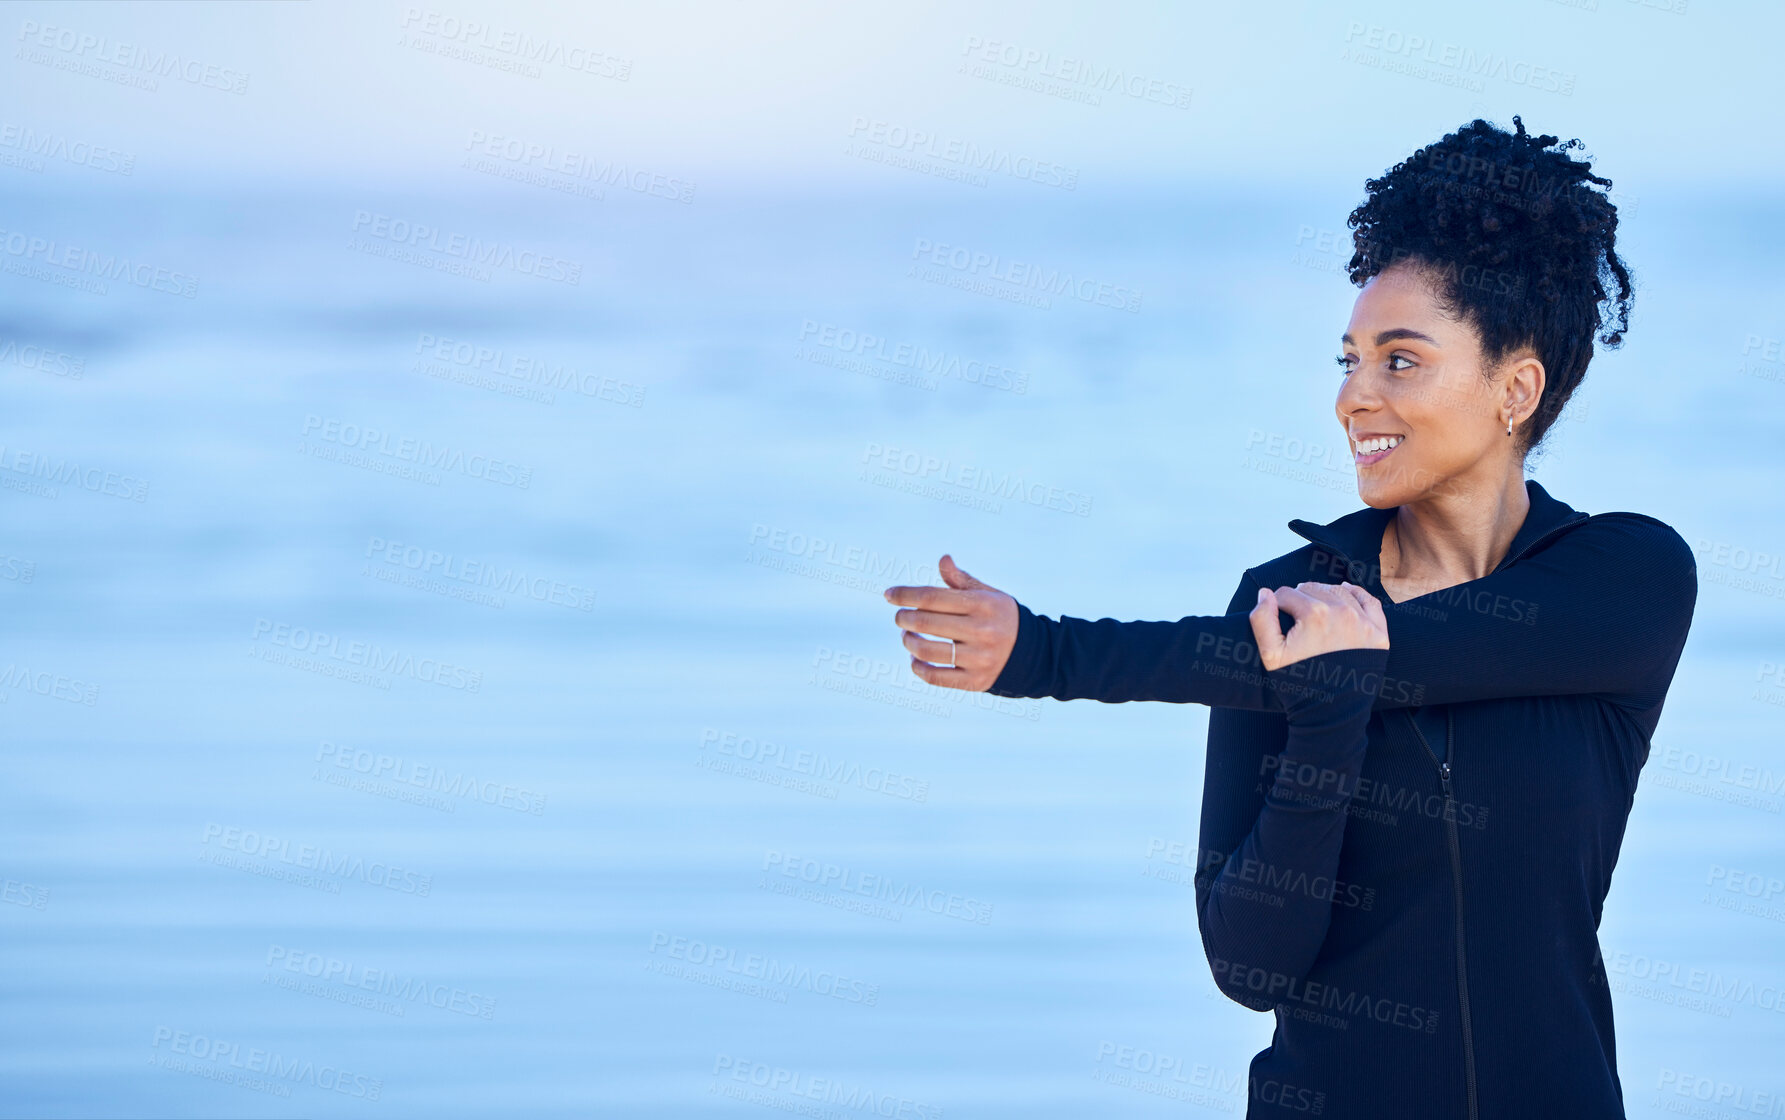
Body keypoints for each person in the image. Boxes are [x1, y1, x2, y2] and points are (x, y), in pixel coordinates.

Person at [882, 117, 1697, 1119]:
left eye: (1400, 361)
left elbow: (1416, 650)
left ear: (1514, 387)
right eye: (1348, 359)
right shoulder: (1280, 599)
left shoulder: (1622, 578)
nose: (1355, 397)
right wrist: (1323, 720)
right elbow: (1248, 967)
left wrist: (1047, 651)